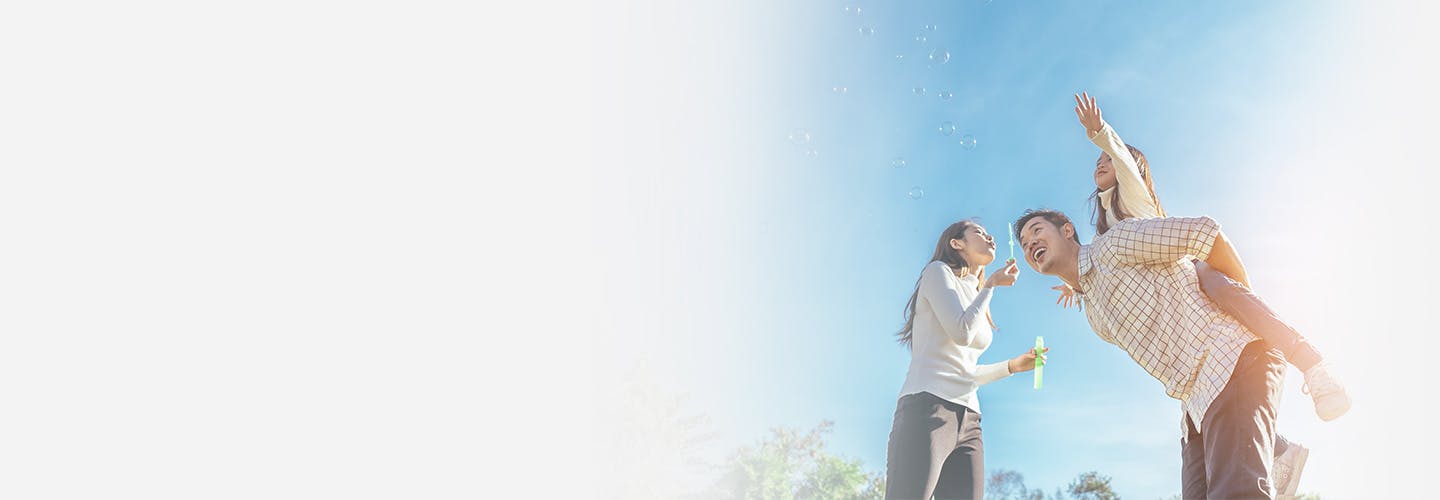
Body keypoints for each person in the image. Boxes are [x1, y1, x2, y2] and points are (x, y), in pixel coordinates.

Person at [1058, 92, 1347, 495]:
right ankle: (1278, 447)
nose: (1101, 164)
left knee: (1227, 296)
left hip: (1193, 271)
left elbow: (1124, 161)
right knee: (1222, 397)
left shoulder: (1134, 196)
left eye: (1107, 160)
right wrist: (1076, 283)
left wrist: (1101, 135)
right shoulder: (1105, 225)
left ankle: (1311, 364)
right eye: (1098, 161)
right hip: (1181, 302)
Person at [1013, 209, 1328, 499]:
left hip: (1233, 358)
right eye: (1024, 243)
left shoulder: (1114, 245)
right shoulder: (1094, 316)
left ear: (1067, 230)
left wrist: (1245, 314)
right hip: (1194, 408)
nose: (1030, 243)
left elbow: (1205, 233)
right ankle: (1279, 449)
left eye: (1037, 230)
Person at [885, 220, 1046, 500]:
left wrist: (1012, 366)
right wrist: (991, 285)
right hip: (927, 408)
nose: (990, 237)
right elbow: (961, 332)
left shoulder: (976, 295)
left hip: (970, 420)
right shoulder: (937, 273)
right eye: (979, 233)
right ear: (956, 244)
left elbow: (965, 372)